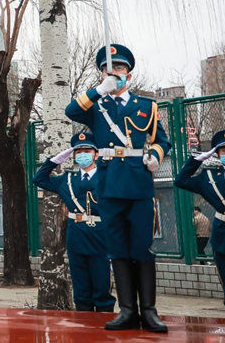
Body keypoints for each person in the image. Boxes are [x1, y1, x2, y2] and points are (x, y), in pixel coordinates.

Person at [65, 43, 171, 333]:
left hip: (138, 184)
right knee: (117, 249)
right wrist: (100, 90)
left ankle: (148, 310)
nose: (115, 73)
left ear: (130, 74)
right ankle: (126, 310)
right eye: (108, 70)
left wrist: (155, 156)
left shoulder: (146, 107)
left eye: (120, 69)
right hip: (109, 185)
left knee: (142, 247)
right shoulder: (97, 107)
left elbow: (163, 141)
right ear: (102, 75)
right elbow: (71, 110)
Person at [32, 131, 115, 312]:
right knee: (81, 290)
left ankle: (104, 330)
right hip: (76, 236)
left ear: (96, 154)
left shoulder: (108, 176)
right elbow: (38, 180)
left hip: (101, 235)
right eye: (78, 152)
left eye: (86, 150)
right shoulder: (67, 179)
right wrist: (53, 161)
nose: (82, 155)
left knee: (102, 288)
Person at [174, 129, 225, 303]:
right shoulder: (208, 177)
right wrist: (196, 160)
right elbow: (180, 180)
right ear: (217, 154)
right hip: (222, 231)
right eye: (223, 150)